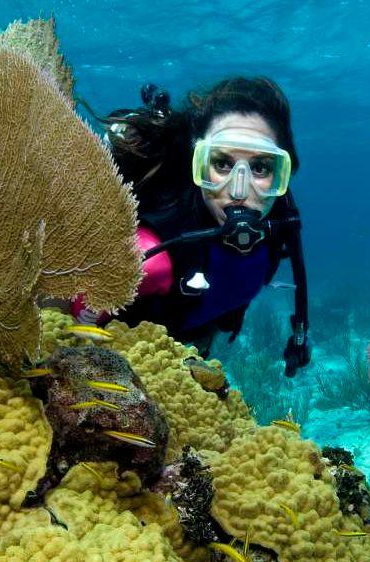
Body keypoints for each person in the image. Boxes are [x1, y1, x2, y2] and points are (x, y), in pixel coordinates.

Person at [82, 77, 311, 377]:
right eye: (223, 164)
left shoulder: (280, 219)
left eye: (261, 168)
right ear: (198, 163)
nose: (240, 191)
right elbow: (73, 327)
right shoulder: (149, 259)